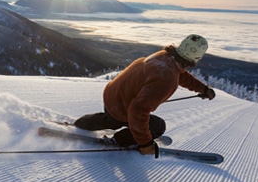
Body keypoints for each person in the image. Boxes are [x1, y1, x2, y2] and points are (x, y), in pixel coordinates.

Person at [74, 34, 216, 156]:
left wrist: (203, 89)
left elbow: (181, 75)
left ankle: (81, 124)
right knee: (157, 126)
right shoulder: (167, 79)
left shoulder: (165, 56)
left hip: (113, 94)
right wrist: (145, 143)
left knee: (110, 119)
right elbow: (138, 111)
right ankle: (117, 140)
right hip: (121, 106)